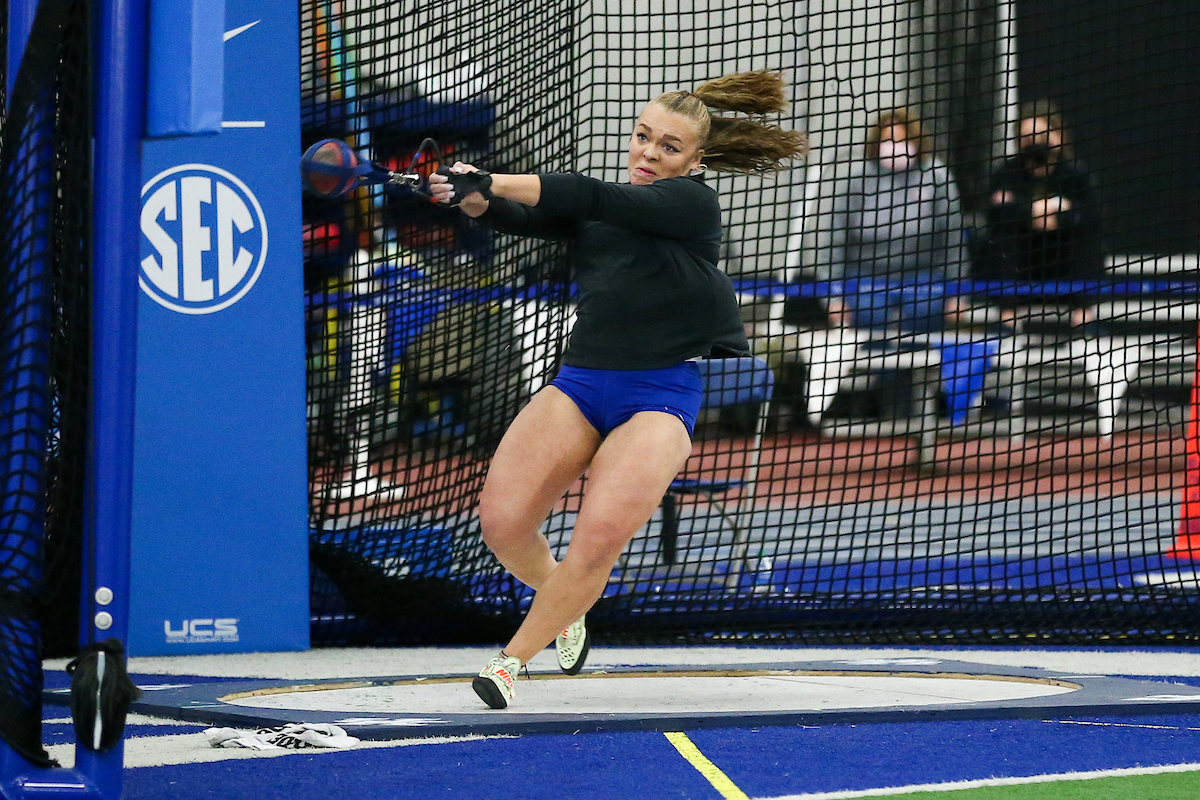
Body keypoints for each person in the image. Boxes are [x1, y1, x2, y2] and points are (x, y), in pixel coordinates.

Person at [428, 71, 806, 709]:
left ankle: (510, 663)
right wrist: (471, 198)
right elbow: (527, 216)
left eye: (669, 146)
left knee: (598, 538)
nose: (649, 154)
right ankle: (565, 603)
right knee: (502, 523)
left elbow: (589, 196)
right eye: (642, 137)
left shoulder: (690, 204)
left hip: (658, 397)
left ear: (696, 159)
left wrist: (486, 178)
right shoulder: (606, 212)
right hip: (580, 384)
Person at [816, 107, 969, 335]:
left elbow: (954, 238)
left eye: (903, 139)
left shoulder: (935, 176)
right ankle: (881, 370)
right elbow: (834, 240)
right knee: (871, 312)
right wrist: (833, 297)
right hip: (866, 274)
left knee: (925, 309)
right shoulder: (856, 179)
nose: (896, 146)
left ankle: (916, 368)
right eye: (888, 140)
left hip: (923, 273)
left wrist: (958, 294)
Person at [982, 99, 1102, 328]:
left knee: (1086, 240)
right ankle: (1008, 317)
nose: (1036, 144)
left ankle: (1084, 314)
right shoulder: (1005, 174)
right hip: (1023, 266)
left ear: (1059, 137)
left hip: (1062, 264)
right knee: (1002, 238)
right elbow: (995, 214)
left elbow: (1092, 215)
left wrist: (1058, 217)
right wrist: (1032, 211)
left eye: (1043, 137)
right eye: (1029, 138)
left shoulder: (1075, 174)